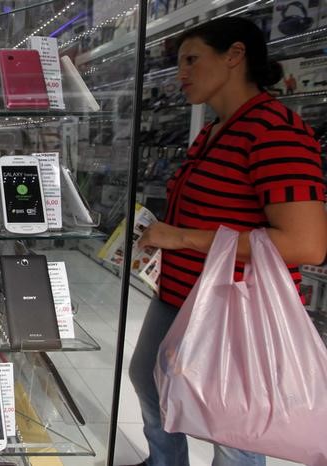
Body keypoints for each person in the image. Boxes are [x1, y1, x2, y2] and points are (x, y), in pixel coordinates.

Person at [125, 17, 327, 466]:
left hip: (236, 303)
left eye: (192, 60)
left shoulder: (275, 131)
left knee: (235, 420)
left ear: (235, 56)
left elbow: (306, 244)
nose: (182, 74)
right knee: (149, 377)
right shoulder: (218, 129)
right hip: (183, 293)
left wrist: (181, 237)